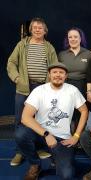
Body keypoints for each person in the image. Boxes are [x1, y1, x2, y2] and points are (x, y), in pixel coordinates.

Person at [15, 62, 88, 180]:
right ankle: (35, 164)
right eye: (54, 72)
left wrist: (76, 136)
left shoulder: (72, 90)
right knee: (20, 134)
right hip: (41, 135)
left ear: (66, 76)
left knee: (67, 175)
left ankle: (57, 157)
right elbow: (25, 117)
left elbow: (84, 111)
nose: (58, 75)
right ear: (49, 74)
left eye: (61, 72)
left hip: (62, 139)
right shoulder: (39, 90)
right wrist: (46, 134)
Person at [7, 17, 58, 166]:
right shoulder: (22, 45)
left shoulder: (49, 47)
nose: (37, 29)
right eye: (35, 27)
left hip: (42, 89)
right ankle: (19, 151)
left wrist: (50, 85)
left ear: (45, 31)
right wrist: (17, 78)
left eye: (40, 28)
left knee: (40, 120)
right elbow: (11, 62)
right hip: (24, 88)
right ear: (31, 30)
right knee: (20, 121)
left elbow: (54, 66)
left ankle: (39, 147)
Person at [58, 27, 91, 132]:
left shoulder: (89, 54)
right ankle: (66, 137)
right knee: (66, 113)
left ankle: (79, 139)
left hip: (82, 86)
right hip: (66, 86)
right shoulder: (62, 55)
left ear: (80, 39)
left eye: (75, 37)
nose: (73, 39)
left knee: (81, 113)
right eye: (70, 37)